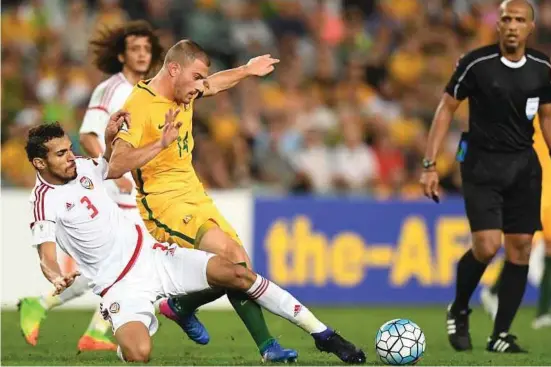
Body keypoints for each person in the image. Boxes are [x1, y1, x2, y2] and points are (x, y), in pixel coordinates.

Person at [25, 114, 365, 364]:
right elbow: (46, 253)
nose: (70, 157)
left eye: (69, 149)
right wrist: (55, 275)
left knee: (237, 272)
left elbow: (111, 168)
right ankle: (132, 334)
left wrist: (140, 142)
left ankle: (324, 335)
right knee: (138, 353)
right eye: (60, 154)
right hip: (119, 286)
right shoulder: (42, 201)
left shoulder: (82, 166)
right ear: (40, 162)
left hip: (154, 256)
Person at [108, 39, 365, 364]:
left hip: (195, 195)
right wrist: (159, 144)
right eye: (197, 76)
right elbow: (115, 165)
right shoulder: (140, 105)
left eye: (202, 78)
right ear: (174, 69)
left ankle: (184, 308)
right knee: (230, 257)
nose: (200, 86)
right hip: (163, 204)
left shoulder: (184, 90)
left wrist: (246, 70)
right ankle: (269, 343)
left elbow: (215, 84)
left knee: (238, 266)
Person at [420, 0, 551, 353]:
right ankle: (459, 308)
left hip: (524, 166)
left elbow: (548, 117)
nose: (513, 25)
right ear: (498, 25)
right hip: (480, 164)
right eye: (506, 19)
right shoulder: (476, 63)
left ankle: (500, 334)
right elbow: (446, 110)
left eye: (520, 20)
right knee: (487, 246)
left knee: (520, 249)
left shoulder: (541, 67)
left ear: (530, 28)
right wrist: (429, 165)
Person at [17, 20, 163, 352]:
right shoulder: (111, 89)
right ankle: (97, 326)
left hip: (133, 184)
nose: (142, 55)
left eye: (147, 49)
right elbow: (87, 135)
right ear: (121, 55)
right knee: (134, 259)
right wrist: (115, 170)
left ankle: (51, 308)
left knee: (119, 262)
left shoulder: (148, 90)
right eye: (135, 49)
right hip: (111, 183)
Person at [480, 50, 551, 330]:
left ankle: (544, 314)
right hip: (529, 182)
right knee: (525, 243)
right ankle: (492, 294)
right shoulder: (529, 98)